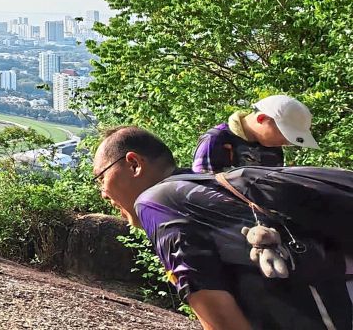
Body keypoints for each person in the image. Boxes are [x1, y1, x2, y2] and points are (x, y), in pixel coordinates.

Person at [94, 126, 353, 330]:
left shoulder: (156, 203)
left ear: (134, 164)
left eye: (101, 177)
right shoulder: (205, 187)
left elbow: (218, 315)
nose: (102, 192)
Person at [193, 94, 318, 173]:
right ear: (262, 119)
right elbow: (202, 190)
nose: (286, 141)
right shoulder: (215, 140)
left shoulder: (273, 148)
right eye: (285, 133)